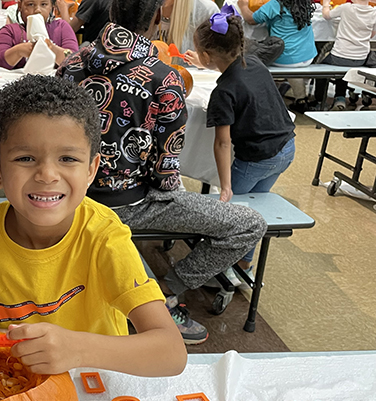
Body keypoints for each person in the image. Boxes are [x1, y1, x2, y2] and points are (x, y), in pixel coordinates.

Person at [0, 75, 187, 376]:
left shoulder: (105, 239)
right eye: (25, 157)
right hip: (15, 377)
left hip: (93, 382)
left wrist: (77, 350)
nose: (47, 175)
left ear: (91, 169)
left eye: (67, 158)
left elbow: (171, 352)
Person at [57, 0, 268, 345]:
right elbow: (165, 169)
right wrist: (168, 190)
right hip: (131, 203)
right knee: (250, 224)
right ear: (156, 16)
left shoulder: (71, 65)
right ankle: (163, 291)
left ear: (110, 13)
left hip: (72, 194)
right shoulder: (164, 78)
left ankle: (139, 288)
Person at [195, 8, 295, 293]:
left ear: (206, 56)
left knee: (233, 213)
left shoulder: (223, 92)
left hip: (257, 158)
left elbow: (223, 143)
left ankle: (218, 268)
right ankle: (244, 265)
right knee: (254, 211)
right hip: (286, 148)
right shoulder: (254, 64)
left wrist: (225, 186)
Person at [239, 0, 317, 112]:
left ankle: (263, 97)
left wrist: (243, 6)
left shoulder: (275, 5)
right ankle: (300, 98)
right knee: (294, 62)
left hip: (282, 58)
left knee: (251, 57)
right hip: (307, 56)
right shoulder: (305, 4)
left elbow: (251, 19)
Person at [315, 0, 376, 110]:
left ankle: (319, 101)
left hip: (340, 55)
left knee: (320, 67)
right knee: (343, 67)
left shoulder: (346, 8)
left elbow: (326, 15)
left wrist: (325, 4)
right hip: (361, 57)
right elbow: (372, 34)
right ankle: (340, 98)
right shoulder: (374, 12)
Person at [0, 0, 80, 69]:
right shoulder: (9, 31)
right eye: (30, 4)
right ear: (20, 6)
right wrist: (19, 51)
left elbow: (74, 60)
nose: (37, 10)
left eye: (44, 4)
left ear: (51, 7)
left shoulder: (61, 27)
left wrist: (51, 48)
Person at [155, 0, 219, 65]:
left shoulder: (206, 11)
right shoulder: (146, 7)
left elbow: (221, 61)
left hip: (193, 73)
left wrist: (205, 61)